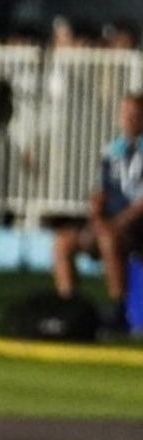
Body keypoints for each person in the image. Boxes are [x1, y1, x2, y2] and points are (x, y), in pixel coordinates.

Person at [53, 94, 143, 331]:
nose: (128, 119)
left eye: (134, 114)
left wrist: (116, 223)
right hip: (109, 224)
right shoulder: (112, 152)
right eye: (124, 114)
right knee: (64, 242)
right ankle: (69, 305)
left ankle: (119, 308)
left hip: (135, 227)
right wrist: (96, 217)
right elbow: (101, 192)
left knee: (108, 238)